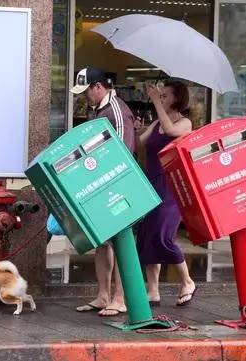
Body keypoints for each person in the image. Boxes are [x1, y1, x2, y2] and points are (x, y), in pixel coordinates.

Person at [70, 67, 135, 316]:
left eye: (86, 91)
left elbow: (122, 154)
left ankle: (120, 298)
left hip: (117, 185)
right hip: (101, 182)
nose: (84, 96)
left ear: (98, 87)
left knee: (120, 242)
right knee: (102, 243)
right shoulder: (97, 110)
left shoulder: (116, 111)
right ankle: (103, 295)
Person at [135, 80, 197, 306]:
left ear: (178, 99)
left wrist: (153, 101)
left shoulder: (185, 123)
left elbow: (171, 131)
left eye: (165, 96)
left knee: (162, 236)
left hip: (171, 187)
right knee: (146, 236)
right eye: (160, 96)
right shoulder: (157, 123)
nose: (161, 99)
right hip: (150, 183)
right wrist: (138, 129)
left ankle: (187, 281)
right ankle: (153, 290)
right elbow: (139, 144)